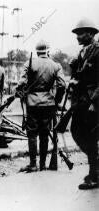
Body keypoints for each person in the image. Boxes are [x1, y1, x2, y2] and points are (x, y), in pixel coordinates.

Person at [16, 40, 66, 172]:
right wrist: (56, 100)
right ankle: (43, 165)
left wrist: (20, 92)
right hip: (49, 104)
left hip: (32, 103)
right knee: (45, 133)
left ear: (37, 51)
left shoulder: (29, 63)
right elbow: (62, 85)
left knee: (32, 134)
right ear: (48, 51)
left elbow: (21, 83)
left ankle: (33, 164)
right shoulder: (56, 65)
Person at [70, 18, 99, 190]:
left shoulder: (97, 51)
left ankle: (94, 175)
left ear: (91, 33)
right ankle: (96, 168)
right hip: (81, 100)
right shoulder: (82, 53)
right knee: (76, 132)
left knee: (91, 137)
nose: (77, 37)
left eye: (80, 33)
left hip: (93, 101)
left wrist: (95, 102)